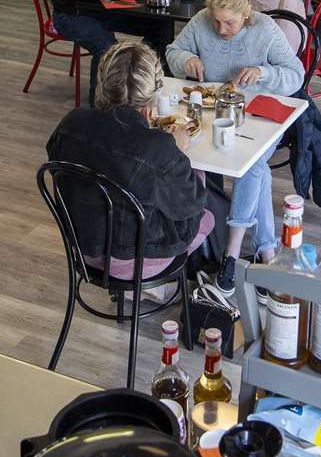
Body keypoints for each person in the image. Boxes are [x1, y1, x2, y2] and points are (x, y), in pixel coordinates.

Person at [45, 42, 217, 304]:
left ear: (103, 82)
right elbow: (191, 204)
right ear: (150, 97)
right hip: (135, 258)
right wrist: (177, 152)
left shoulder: (70, 123)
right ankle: (158, 285)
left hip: (82, 245)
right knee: (205, 210)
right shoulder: (157, 148)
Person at [165, 0, 305, 293]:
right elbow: (173, 51)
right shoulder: (202, 21)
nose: (220, 30)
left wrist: (263, 72)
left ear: (247, 15)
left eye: (229, 23)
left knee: (252, 163)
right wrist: (186, 58)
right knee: (248, 169)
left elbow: (295, 75)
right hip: (212, 116)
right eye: (216, 21)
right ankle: (267, 252)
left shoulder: (265, 30)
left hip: (259, 117)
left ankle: (231, 254)